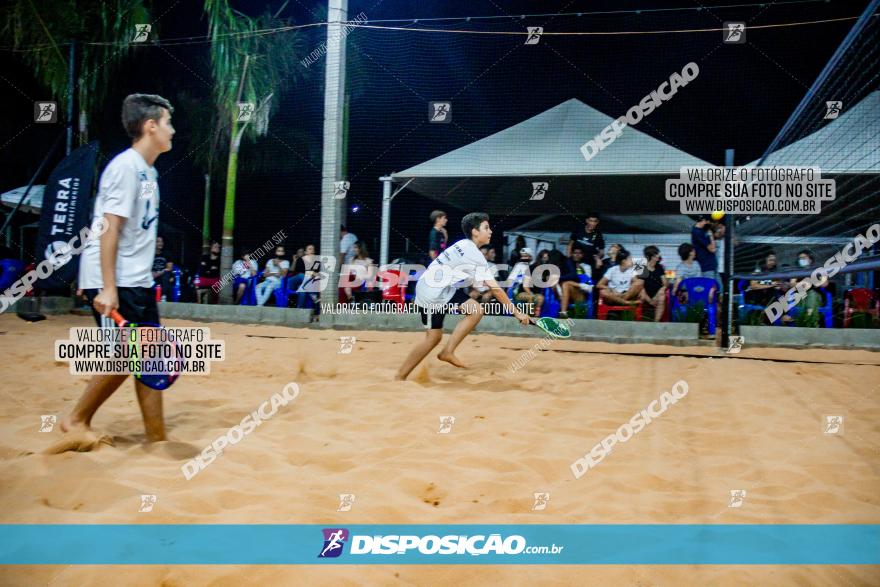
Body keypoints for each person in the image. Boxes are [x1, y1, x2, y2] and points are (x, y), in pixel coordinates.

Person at [63, 93, 175, 445]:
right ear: (150, 125)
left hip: (134, 279)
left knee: (149, 357)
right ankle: (76, 419)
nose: (172, 130)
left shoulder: (148, 171)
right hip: (118, 279)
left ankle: (156, 438)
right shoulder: (125, 167)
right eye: (168, 123)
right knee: (129, 355)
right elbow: (108, 228)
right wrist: (106, 287)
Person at [396, 212, 531, 380]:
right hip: (431, 293)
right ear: (475, 231)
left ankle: (447, 351)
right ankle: (400, 376)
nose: (490, 232)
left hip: (440, 288)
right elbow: (496, 289)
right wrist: (517, 312)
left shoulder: (464, 244)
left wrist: (477, 285)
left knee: (475, 310)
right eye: (486, 228)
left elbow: (468, 275)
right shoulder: (475, 254)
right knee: (433, 338)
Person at [558, 246, 593, 319]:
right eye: (575, 253)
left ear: (582, 255)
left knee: (566, 283)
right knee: (566, 284)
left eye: (579, 253)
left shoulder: (586, 267)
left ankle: (563, 311)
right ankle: (563, 313)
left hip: (581, 295)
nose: (577, 255)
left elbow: (588, 285)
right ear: (572, 254)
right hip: (568, 294)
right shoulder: (568, 265)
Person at [508, 247, 543, 316]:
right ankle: (529, 316)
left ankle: (535, 316)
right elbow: (510, 280)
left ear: (531, 256)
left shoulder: (535, 266)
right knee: (531, 297)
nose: (524, 258)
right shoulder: (519, 265)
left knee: (539, 297)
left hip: (532, 291)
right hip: (519, 291)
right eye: (522, 256)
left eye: (526, 256)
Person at [638, 245, 667, 322]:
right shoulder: (642, 267)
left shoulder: (659, 267)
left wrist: (662, 289)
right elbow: (640, 286)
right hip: (645, 294)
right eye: (656, 254)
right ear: (649, 256)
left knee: (662, 295)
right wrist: (650, 301)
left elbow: (665, 283)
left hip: (657, 295)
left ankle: (656, 322)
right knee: (641, 292)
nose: (658, 256)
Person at [691, 216, 718, 283]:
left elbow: (713, 248)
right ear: (703, 220)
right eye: (707, 221)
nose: (708, 223)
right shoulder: (697, 232)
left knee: (718, 289)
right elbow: (713, 249)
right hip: (705, 266)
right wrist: (711, 235)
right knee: (710, 288)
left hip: (712, 264)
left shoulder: (704, 230)